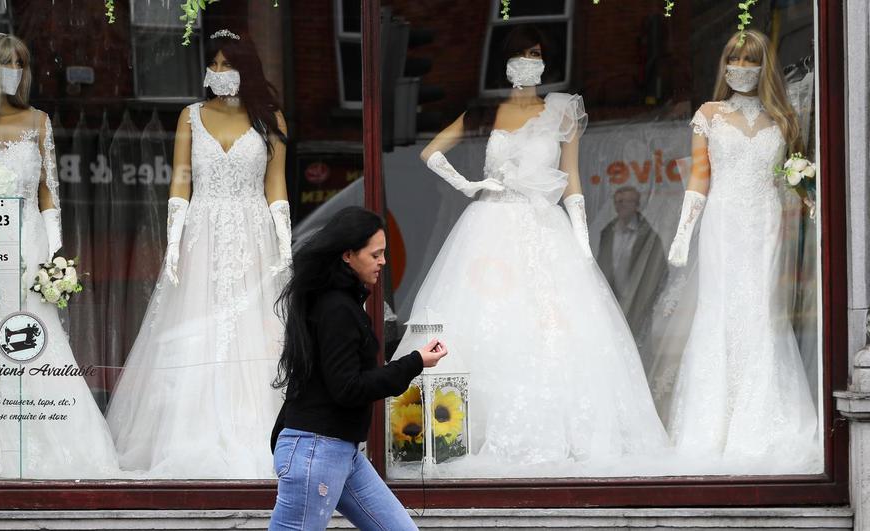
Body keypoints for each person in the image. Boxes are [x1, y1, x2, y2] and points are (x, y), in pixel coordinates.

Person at [390, 25, 668, 478]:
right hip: (490, 224)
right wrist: (472, 186)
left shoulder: (561, 112)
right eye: (519, 53)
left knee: (553, 329)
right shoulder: (485, 112)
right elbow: (432, 153)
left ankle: (560, 436)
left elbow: (572, 179)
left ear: (546, 60)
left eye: (534, 52)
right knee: (481, 321)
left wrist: (581, 240)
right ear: (503, 62)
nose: (527, 60)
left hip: (545, 229)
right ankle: (447, 436)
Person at [105, 28, 291, 478]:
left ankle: (260, 431)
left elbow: (276, 185)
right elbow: (180, 183)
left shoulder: (270, 119)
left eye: (230, 64)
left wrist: (285, 243)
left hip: (253, 233)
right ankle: (190, 432)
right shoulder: (189, 116)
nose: (221, 72)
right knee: (196, 327)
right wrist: (173, 242)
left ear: (246, 68)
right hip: (201, 232)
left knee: (256, 332)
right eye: (216, 64)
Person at [0, 32, 119, 478]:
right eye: (5, 62)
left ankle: (57, 448)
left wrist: (55, 256)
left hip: (31, 247)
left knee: (38, 342)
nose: (13, 71)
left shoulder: (39, 122)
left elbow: (48, 194)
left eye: (20, 62)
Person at [663, 29, 820, 473]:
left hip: (767, 222)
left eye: (752, 61)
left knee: (760, 315)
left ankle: (761, 423)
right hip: (723, 221)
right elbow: (699, 177)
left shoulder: (782, 118)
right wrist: (683, 233)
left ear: (763, 66)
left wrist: (812, 199)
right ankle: (713, 426)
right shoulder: (709, 115)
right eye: (736, 59)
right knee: (721, 311)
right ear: (725, 64)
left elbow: (797, 174)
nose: (743, 69)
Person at [269, 206, 448, 530]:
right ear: (348, 255)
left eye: (383, 253)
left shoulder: (338, 303)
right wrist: (414, 363)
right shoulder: (336, 308)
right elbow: (348, 388)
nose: (383, 261)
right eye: (376, 254)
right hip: (316, 451)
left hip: (338, 451)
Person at [596, 185, 667, 368]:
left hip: (639, 303)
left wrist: (649, 300)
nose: (620, 205)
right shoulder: (607, 232)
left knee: (637, 347)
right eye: (617, 201)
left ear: (636, 205)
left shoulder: (649, 236)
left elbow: (660, 270)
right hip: (612, 300)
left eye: (624, 201)